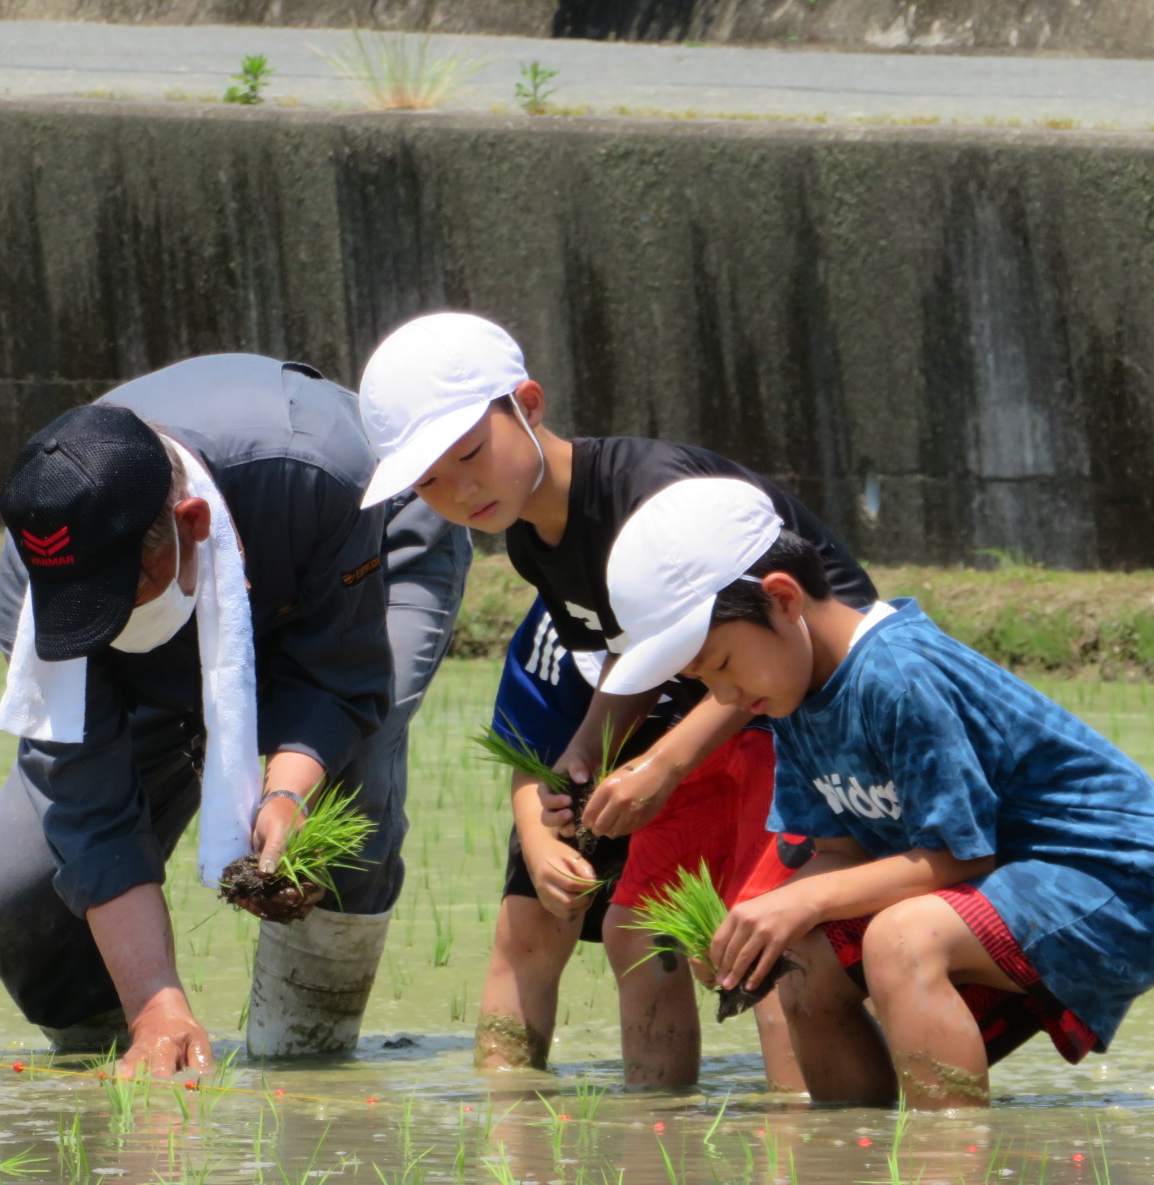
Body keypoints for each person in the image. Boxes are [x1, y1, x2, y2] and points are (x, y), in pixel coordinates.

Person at [359, 311, 876, 1089]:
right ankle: (652, 1131)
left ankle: (802, 1141)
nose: (460, 490)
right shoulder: (535, 540)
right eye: (428, 480)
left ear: (528, 406)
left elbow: (763, 654)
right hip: (728, 710)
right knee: (643, 929)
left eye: (470, 453)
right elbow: (629, 661)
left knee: (765, 934)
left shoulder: (652, 496)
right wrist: (584, 754)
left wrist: (663, 762)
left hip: (810, 709)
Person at [596, 478, 1154, 1108]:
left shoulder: (896, 674)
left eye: (721, 665)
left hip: (1125, 882)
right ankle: (857, 1164)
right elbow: (838, 851)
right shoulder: (794, 699)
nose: (723, 699)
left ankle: (941, 1177)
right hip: (1006, 882)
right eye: (704, 681)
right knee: (801, 959)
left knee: (901, 941)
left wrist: (800, 901)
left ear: (782, 599)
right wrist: (762, 923)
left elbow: (962, 855)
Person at [0, 355, 470, 1077]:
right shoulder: (48, 553)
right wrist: (154, 1005)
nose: (100, 623)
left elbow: (341, 675)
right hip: (180, 611)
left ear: (188, 523)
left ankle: (304, 1055)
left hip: (359, 530)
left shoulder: (320, 473)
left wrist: (287, 791)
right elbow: (84, 799)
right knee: (13, 894)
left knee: (349, 789)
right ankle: (139, 1044)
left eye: (117, 595)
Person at [474, 597, 663, 1070]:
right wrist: (539, 849)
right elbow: (528, 750)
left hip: (691, 773)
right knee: (526, 926)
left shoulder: (701, 607)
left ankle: (659, 1112)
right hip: (570, 782)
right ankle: (504, 1092)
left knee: (647, 941)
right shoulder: (555, 619)